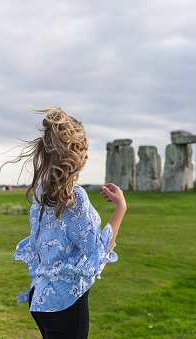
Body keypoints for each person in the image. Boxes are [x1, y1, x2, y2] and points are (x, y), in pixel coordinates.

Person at [7, 107, 127, 338]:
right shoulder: (76, 197)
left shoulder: (42, 191)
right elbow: (96, 254)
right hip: (65, 302)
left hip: (41, 297)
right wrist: (121, 208)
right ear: (78, 153)